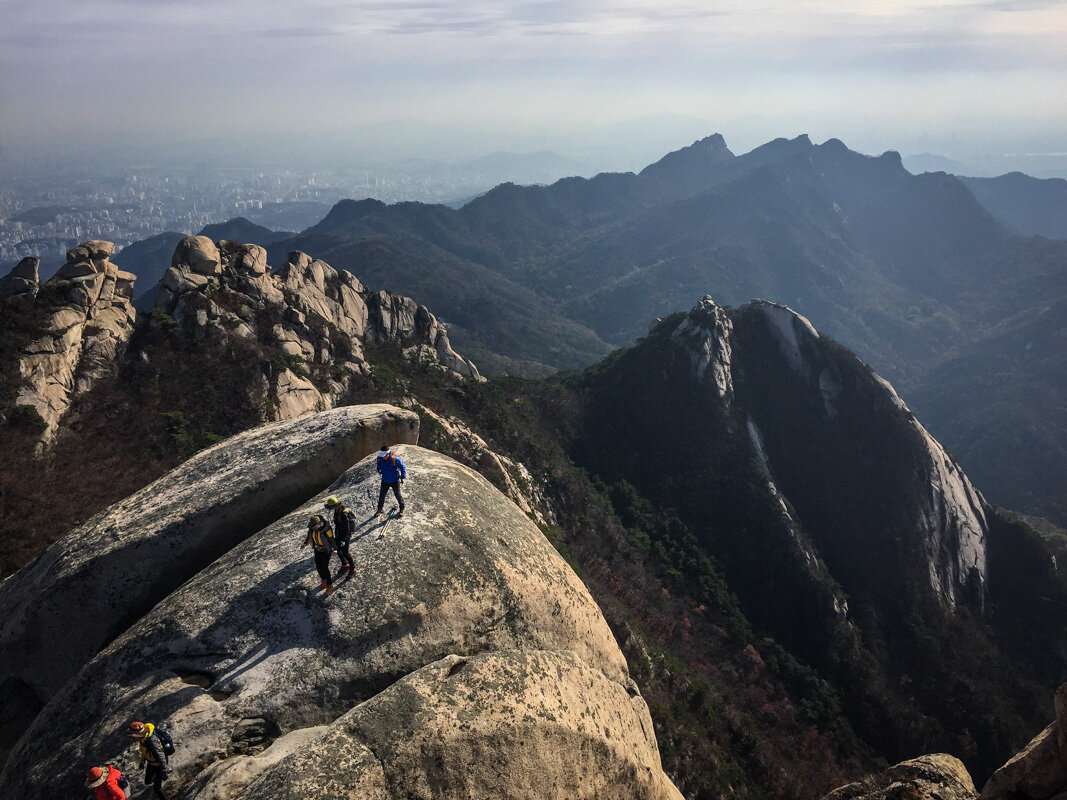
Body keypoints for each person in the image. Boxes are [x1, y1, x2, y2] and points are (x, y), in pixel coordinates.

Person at [127, 721, 169, 800]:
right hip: (151, 764)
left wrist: (164, 769)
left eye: (133, 734)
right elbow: (145, 751)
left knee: (157, 788)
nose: (133, 736)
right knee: (147, 781)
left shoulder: (151, 741)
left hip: (159, 766)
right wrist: (142, 761)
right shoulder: (143, 739)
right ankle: (157, 781)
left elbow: (160, 755)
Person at [302, 514, 336, 595]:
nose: (314, 528)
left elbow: (331, 539)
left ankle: (329, 585)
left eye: (315, 526)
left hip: (325, 550)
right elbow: (309, 537)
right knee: (318, 566)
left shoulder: (326, 529)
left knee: (324, 567)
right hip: (317, 550)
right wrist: (305, 544)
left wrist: (335, 548)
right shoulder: (311, 529)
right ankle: (323, 579)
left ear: (319, 523)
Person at [324, 496, 355, 574]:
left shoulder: (343, 514)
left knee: (345, 552)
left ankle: (352, 568)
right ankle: (345, 564)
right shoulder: (337, 511)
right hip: (339, 534)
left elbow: (347, 529)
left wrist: (344, 540)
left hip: (344, 536)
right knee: (337, 550)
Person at [375, 445, 407, 518]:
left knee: (398, 495)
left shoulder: (395, 459)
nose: (383, 457)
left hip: (395, 480)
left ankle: (402, 509)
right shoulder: (380, 459)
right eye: (382, 455)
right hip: (385, 480)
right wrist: (379, 471)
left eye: (384, 455)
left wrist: (403, 477)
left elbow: (403, 467)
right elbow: (378, 466)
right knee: (382, 495)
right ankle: (380, 509)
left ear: (388, 454)